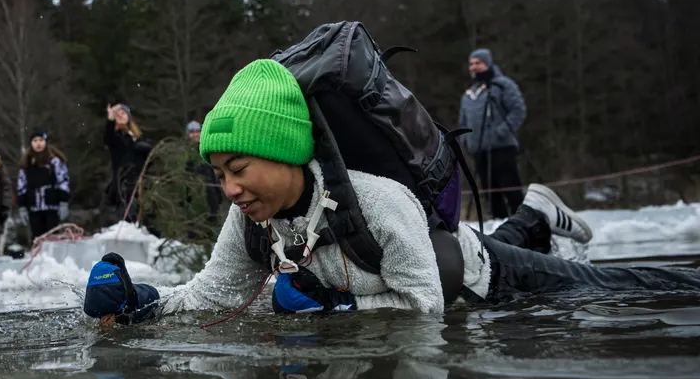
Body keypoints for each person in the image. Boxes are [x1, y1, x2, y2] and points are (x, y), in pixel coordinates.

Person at [84, 59, 700, 324]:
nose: (230, 189)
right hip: (452, 250)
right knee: (495, 236)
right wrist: (138, 303)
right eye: (219, 174)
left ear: (287, 152)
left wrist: (337, 311)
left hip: (488, 280)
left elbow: (426, 305)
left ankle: (541, 218)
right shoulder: (253, 220)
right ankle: (537, 211)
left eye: (239, 168)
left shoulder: (374, 202)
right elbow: (210, 295)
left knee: (615, 290)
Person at [459, 48, 527, 219]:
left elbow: (518, 110)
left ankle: (523, 223)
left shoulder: (503, 85)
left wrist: (501, 131)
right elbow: (463, 122)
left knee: (511, 190)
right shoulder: (468, 95)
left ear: (487, 64)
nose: (473, 67)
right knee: (490, 194)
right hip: (479, 151)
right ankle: (500, 226)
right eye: (471, 64)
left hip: (502, 148)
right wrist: (467, 140)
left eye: (478, 63)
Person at [17, 129, 71, 240]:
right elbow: (21, 185)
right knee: (37, 238)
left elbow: (63, 181)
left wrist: (64, 202)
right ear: (31, 143)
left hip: (51, 206)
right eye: (35, 141)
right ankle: (37, 256)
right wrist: (22, 206)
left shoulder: (55, 161)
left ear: (45, 142)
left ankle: (53, 257)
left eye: (41, 140)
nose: (38, 143)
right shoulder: (26, 162)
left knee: (53, 237)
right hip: (34, 207)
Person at [103, 102, 151, 217]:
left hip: (140, 183)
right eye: (117, 114)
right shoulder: (116, 137)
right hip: (123, 184)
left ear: (128, 117)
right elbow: (107, 137)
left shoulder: (138, 137)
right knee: (127, 216)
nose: (120, 115)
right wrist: (110, 118)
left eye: (123, 113)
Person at [185, 120, 223, 220]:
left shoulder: (207, 149)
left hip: (210, 190)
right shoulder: (185, 151)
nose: (195, 135)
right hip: (194, 192)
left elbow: (214, 170)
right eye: (192, 132)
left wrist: (218, 191)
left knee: (212, 217)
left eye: (197, 131)